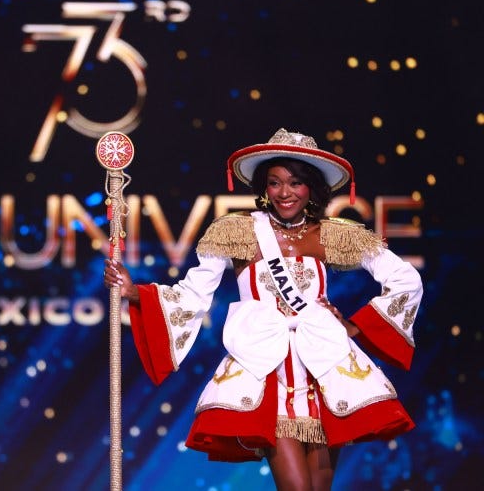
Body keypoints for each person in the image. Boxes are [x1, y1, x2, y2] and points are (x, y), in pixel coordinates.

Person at [104, 128, 423, 490]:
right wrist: (135, 294)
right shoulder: (237, 231)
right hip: (266, 371)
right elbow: (193, 292)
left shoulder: (333, 234)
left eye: (296, 183)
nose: (284, 192)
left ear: (312, 188)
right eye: (274, 183)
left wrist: (355, 327)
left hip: (325, 368)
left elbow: (405, 279)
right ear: (263, 187)